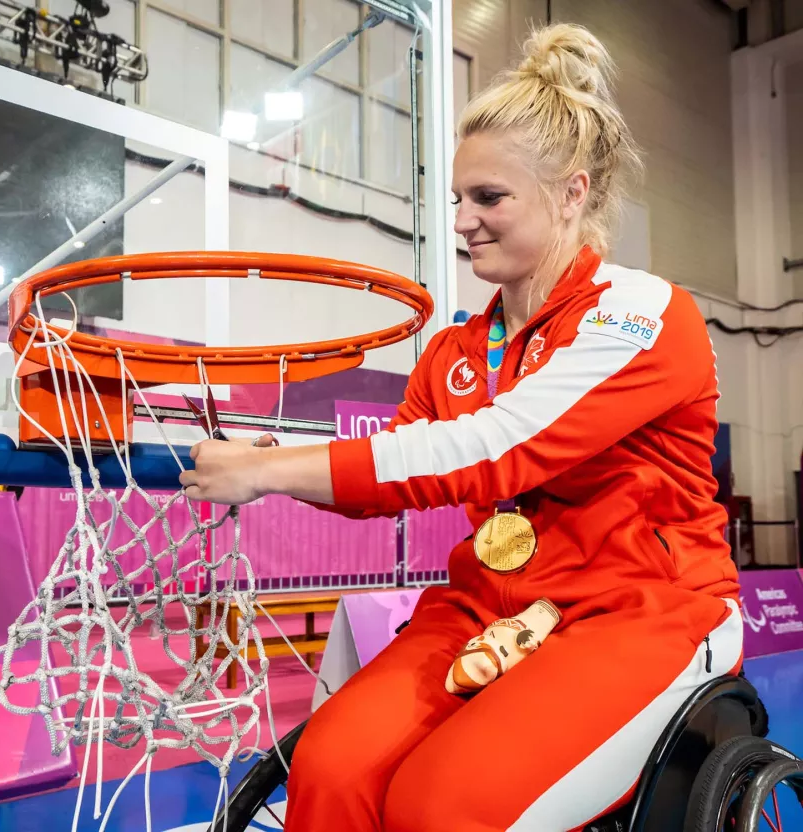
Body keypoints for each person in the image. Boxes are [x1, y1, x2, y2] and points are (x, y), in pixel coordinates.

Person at [179, 22, 742, 832]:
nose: (464, 222)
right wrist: (276, 461)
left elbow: (496, 448)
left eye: (489, 198)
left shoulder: (644, 313)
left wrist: (273, 471)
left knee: (442, 804)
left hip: (641, 612)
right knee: (328, 773)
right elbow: (392, 476)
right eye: (458, 199)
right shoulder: (453, 350)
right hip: (489, 608)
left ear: (572, 192)